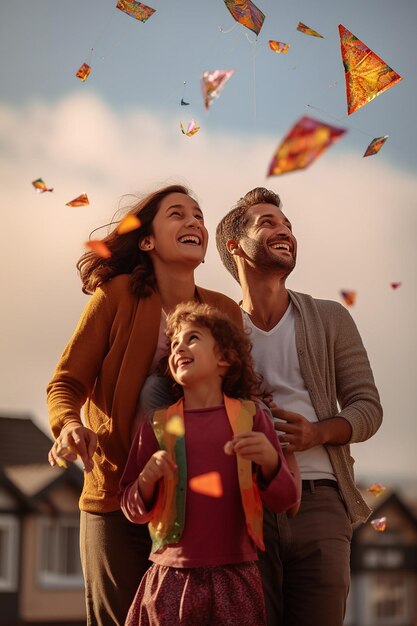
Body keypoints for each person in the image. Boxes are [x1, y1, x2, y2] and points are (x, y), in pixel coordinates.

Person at [46, 184, 243, 626]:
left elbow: (243, 393)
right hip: (114, 497)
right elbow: (66, 382)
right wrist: (68, 426)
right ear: (148, 240)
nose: (194, 221)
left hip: (197, 510)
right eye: (178, 213)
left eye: (198, 214)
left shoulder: (226, 310)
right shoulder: (116, 296)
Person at [215, 187, 383, 626]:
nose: (284, 230)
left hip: (322, 503)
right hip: (243, 507)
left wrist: (316, 433)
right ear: (235, 246)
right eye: (267, 222)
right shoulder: (219, 327)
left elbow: (368, 407)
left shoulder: (330, 318)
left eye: (287, 224)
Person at [119, 301, 299, 626]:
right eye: (174, 344)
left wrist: (272, 461)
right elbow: (131, 508)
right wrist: (146, 479)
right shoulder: (157, 424)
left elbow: (285, 499)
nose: (179, 348)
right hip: (170, 576)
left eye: (192, 339)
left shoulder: (252, 418)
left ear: (225, 358)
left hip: (236, 576)